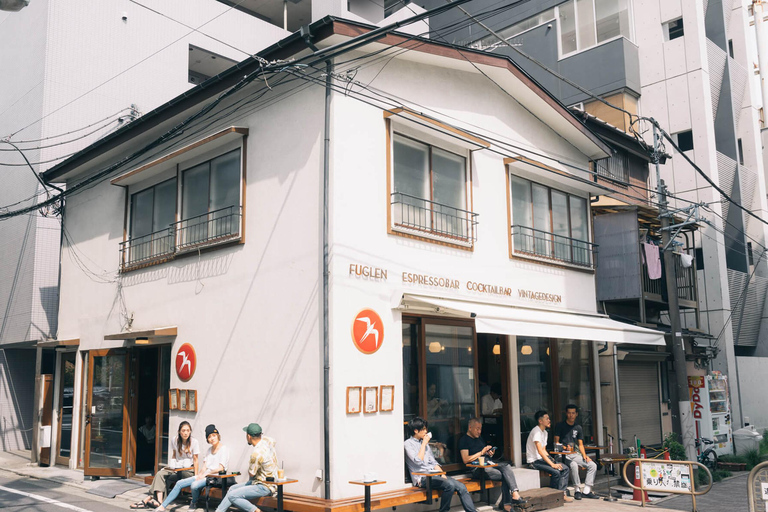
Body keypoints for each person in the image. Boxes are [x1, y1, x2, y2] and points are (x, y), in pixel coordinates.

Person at [404, 417, 477, 512]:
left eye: (426, 429)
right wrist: (424, 444)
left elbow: (433, 462)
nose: (426, 431)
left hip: (435, 475)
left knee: (461, 487)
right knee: (449, 485)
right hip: (422, 478)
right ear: (416, 431)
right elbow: (418, 461)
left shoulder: (424, 443)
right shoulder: (408, 444)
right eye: (423, 429)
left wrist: (442, 474)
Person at [156, 424, 230, 512]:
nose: (212, 438)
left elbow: (221, 468)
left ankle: (194, 502)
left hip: (215, 477)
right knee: (179, 483)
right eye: (209, 437)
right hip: (206, 476)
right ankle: (163, 506)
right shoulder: (209, 450)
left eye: (214, 436)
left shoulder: (223, 449)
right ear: (207, 439)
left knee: (194, 485)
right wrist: (198, 475)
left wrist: (205, 474)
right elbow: (205, 466)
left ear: (218, 436)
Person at [458, 418, 526, 511]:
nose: (479, 431)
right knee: (505, 476)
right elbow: (466, 459)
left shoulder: (480, 438)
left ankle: (514, 493)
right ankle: (507, 504)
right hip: (477, 469)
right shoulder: (464, 440)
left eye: (480, 429)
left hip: (488, 464)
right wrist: (481, 452)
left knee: (506, 466)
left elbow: (483, 453)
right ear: (470, 427)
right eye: (477, 429)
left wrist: (488, 453)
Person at [131, 421, 199, 509]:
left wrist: (196, 477)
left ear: (190, 431)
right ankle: (159, 501)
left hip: (188, 472)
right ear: (179, 431)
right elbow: (174, 455)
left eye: (187, 430)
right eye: (183, 430)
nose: (185, 433)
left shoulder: (194, 442)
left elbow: (196, 460)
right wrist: (171, 466)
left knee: (166, 478)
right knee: (160, 474)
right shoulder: (175, 440)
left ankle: (148, 499)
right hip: (177, 469)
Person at [215, 423, 278, 512]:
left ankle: (256, 511)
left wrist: (251, 463)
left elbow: (251, 473)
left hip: (264, 486)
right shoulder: (268, 441)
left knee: (232, 495)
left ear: (249, 436)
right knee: (232, 488)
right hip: (268, 483)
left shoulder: (256, 454)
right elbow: (272, 440)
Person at [526, 410, 572, 503]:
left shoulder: (545, 432)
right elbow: (539, 451)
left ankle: (562, 494)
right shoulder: (536, 432)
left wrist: (553, 461)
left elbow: (544, 450)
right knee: (556, 472)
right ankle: (553, 496)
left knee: (565, 468)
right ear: (540, 421)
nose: (549, 420)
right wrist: (552, 464)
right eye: (547, 418)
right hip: (533, 462)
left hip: (541, 459)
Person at [554, 405, 598, 500]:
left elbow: (580, 444)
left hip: (574, 454)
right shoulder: (560, 425)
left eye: (573, 413)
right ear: (566, 414)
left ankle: (586, 490)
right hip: (562, 455)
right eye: (569, 413)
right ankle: (577, 489)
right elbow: (556, 442)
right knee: (573, 465)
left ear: (576, 414)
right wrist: (564, 447)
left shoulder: (578, 427)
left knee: (592, 465)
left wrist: (585, 456)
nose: (571, 415)